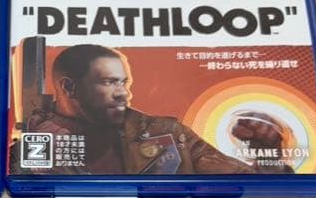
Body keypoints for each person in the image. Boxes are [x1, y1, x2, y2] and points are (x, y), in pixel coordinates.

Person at [17, 44, 259, 175]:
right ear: (69, 87)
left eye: (124, 83)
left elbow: (246, 180)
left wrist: (265, 148)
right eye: (109, 82)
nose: (124, 93)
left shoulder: (168, 133)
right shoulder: (29, 150)